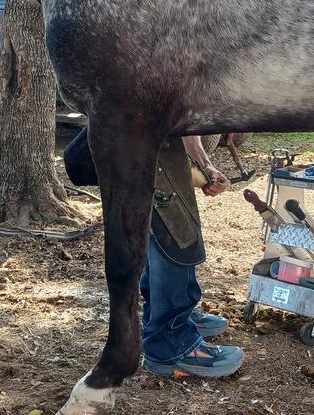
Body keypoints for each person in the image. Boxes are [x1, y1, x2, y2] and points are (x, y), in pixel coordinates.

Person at [64, 129, 244, 379]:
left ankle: (170, 313)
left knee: (173, 216)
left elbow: (185, 117)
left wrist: (205, 164)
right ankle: (171, 341)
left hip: (155, 137)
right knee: (173, 224)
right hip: (142, 137)